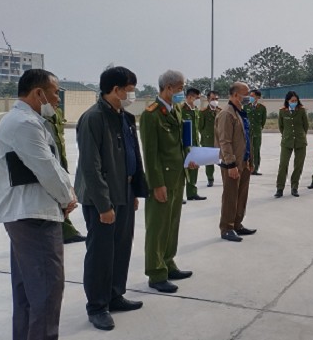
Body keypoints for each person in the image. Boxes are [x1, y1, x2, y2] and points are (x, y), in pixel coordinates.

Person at [0, 68, 78, 340]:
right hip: (34, 217)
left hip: (27, 214)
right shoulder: (24, 124)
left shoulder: (23, 121)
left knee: (29, 292)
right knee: (47, 294)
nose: (58, 99)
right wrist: (68, 198)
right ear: (38, 93)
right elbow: (47, 168)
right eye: (55, 93)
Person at [75, 66, 149, 330]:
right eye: (130, 89)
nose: (132, 94)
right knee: (101, 254)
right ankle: (97, 306)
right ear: (115, 89)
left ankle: (115, 295)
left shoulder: (124, 117)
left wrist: (134, 191)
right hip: (101, 198)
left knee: (121, 248)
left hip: (124, 192)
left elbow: (132, 155)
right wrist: (104, 205)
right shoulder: (93, 118)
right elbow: (90, 167)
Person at [139, 70, 199, 293]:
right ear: (168, 88)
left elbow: (179, 144)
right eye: (180, 88)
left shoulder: (175, 111)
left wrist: (189, 158)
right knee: (157, 226)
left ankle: (168, 262)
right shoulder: (151, 114)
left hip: (177, 177)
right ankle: (156, 273)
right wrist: (156, 184)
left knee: (172, 224)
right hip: (162, 180)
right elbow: (150, 154)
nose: (182, 92)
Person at [215, 82, 257, 242]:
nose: (248, 97)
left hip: (244, 161)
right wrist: (231, 164)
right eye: (245, 94)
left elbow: (246, 138)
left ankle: (237, 224)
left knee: (242, 195)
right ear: (234, 95)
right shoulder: (227, 114)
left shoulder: (240, 113)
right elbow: (224, 141)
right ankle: (227, 227)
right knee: (230, 196)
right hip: (232, 163)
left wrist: (250, 160)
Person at [45, 106, 87, 244]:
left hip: (59, 159)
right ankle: (65, 231)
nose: (58, 98)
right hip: (48, 160)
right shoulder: (38, 114)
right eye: (55, 93)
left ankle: (66, 230)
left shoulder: (56, 112)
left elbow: (59, 137)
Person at [274, 91, 309, 198]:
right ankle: (280, 188)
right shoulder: (282, 111)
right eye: (292, 101)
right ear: (287, 101)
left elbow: (305, 126)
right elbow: (281, 126)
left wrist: (301, 135)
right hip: (287, 141)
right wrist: (287, 135)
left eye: (295, 101)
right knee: (283, 165)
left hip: (300, 141)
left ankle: (294, 187)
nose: (294, 102)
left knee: (298, 165)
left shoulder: (302, 111)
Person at [181, 87, 206, 202]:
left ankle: (192, 193)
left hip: (195, 143)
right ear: (189, 97)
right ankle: (179, 196)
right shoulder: (181, 110)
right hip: (184, 144)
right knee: (182, 171)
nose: (198, 100)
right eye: (197, 98)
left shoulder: (195, 109)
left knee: (194, 168)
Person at [199, 90, 221, 187]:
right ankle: (210, 179)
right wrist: (205, 136)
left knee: (223, 160)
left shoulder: (220, 111)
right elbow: (200, 127)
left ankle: (226, 178)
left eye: (216, 99)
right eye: (212, 99)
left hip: (220, 140)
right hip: (208, 140)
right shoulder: (203, 112)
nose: (215, 101)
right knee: (209, 162)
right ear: (208, 99)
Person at [244, 89, 267, 176]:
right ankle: (248, 168)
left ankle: (255, 169)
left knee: (256, 150)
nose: (251, 97)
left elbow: (263, 121)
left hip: (257, 132)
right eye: (250, 96)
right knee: (247, 150)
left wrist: (258, 128)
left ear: (258, 97)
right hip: (247, 132)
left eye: (253, 96)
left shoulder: (262, 108)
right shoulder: (246, 107)